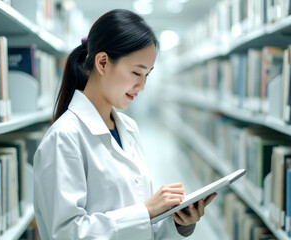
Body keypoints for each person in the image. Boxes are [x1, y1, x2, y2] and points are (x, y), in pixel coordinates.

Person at [33, 9, 216, 240]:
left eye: (147, 75)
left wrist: (178, 222)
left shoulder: (128, 128)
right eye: (136, 73)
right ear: (102, 63)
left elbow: (140, 225)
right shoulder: (64, 138)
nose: (142, 86)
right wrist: (146, 210)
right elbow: (67, 233)